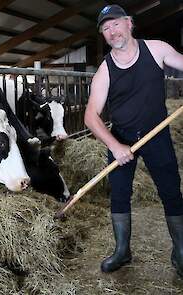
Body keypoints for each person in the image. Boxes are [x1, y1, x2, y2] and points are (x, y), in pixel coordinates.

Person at [84, 4, 183, 277]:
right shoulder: (105, 71)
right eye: (105, 28)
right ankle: (122, 251)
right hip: (121, 137)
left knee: (171, 191)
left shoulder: (157, 49)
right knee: (119, 194)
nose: (111, 31)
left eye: (115, 23)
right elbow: (91, 116)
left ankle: (181, 251)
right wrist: (115, 146)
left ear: (129, 23)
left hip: (156, 134)